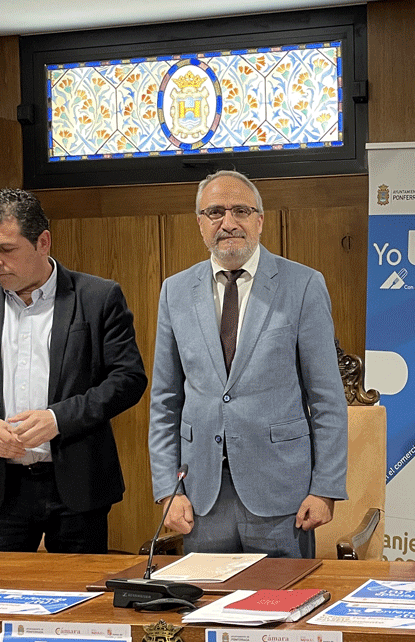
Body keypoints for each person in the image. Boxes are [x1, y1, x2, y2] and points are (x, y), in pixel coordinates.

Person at [148, 170, 347, 558]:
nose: (228, 223)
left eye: (241, 210)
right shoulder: (175, 290)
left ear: (259, 220)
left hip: (281, 495)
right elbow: (164, 401)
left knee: (283, 610)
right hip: (202, 499)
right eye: (215, 212)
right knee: (205, 609)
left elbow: (327, 398)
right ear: (200, 225)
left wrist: (324, 488)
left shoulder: (303, 285)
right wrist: (166, 491)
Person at [0, 189, 147, 553]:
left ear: (43, 242)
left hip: (78, 486)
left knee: (78, 601)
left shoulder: (97, 297)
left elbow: (128, 379)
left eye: (5, 249)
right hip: (0, 489)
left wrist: (58, 418)